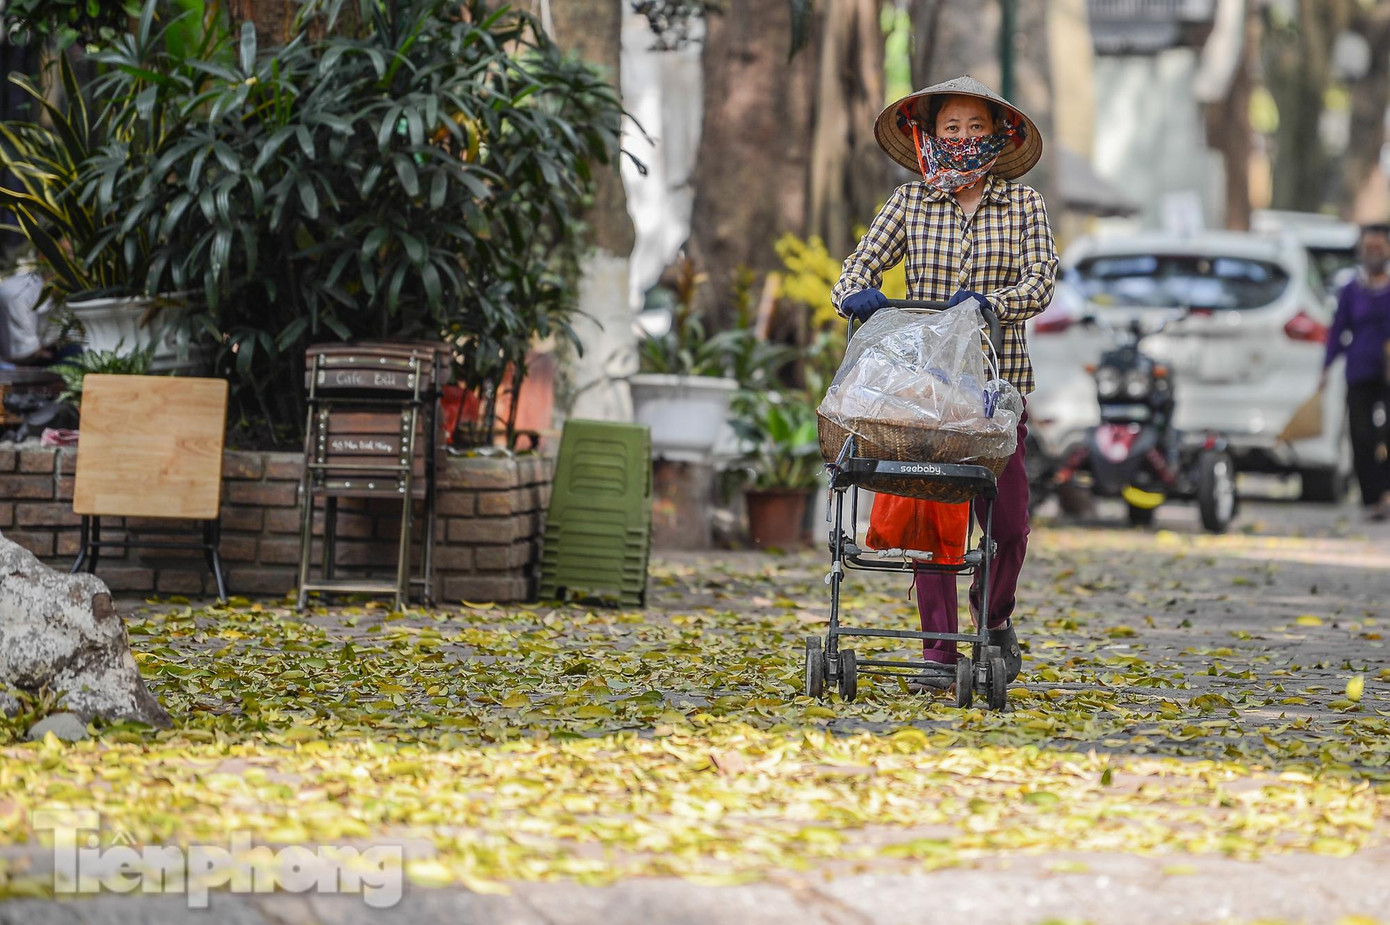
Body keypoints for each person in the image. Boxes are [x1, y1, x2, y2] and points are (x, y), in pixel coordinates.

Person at [830, 75, 1058, 691]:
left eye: (975, 128)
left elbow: (1041, 283)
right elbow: (857, 265)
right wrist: (855, 294)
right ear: (928, 136)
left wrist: (989, 305)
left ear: (998, 136)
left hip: (996, 391)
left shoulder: (1024, 206)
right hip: (924, 394)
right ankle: (938, 653)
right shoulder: (909, 204)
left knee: (1008, 524)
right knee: (934, 523)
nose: (961, 139)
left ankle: (994, 616)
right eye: (950, 128)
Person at [1320, 223, 1390, 521]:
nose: (1372, 254)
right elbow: (1338, 330)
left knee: (1387, 434)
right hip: (1359, 370)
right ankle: (1371, 498)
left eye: (1378, 248)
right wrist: (1326, 366)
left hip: (1387, 373)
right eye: (1368, 248)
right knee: (1360, 435)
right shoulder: (1351, 289)